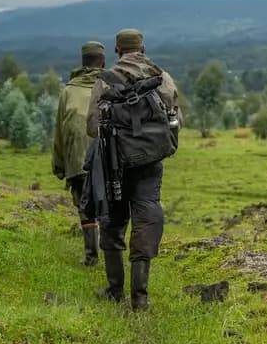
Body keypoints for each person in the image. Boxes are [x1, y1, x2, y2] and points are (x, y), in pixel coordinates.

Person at [87, 28, 181, 310]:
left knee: (113, 222)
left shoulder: (105, 80)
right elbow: (176, 119)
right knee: (146, 218)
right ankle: (140, 298)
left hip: (115, 162)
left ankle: (115, 290)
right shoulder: (162, 77)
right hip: (150, 163)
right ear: (142, 47)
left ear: (117, 50)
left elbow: (92, 127)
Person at [52, 41, 106, 266]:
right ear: (102, 62)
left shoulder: (68, 91)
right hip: (106, 159)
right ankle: (112, 253)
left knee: (85, 207)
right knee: (108, 205)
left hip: (77, 159)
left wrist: (59, 165)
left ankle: (91, 256)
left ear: (83, 62)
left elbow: (59, 132)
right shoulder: (109, 86)